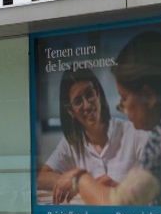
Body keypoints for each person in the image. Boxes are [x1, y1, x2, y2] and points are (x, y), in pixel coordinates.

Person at [73, 31, 161, 207]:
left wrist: (80, 179)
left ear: (148, 96)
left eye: (124, 98)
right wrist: (119, 188)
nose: (123, 108)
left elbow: (122, 204)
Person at [39, 69, 147, 204]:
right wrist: (75, 182)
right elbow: (41, 177)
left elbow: (158, 190)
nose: (87, 105)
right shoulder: (71, 142)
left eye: (89, 94)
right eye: (78, 101)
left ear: (97, 93)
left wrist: (119, 190)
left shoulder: (134, 133)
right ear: (70, 111)